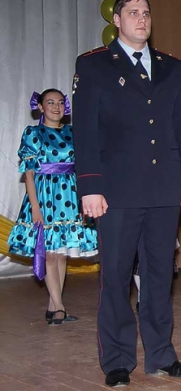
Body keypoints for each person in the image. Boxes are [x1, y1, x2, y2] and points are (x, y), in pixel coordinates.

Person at [72, 0, 181, 387]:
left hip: (163, 190)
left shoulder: (171, 67)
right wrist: (90, 187)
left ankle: (162, 355)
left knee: (160, 277)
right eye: (132, 12)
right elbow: (85, 132)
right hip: (116, 192)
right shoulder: (93, 65)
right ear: (117, 20)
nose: (141, 19)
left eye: (146, 12)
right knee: (115, 278)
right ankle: (117, 361)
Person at [8, 89, 98, 325]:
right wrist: (35, 206)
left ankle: (53, 306)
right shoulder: (33, 133)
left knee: (60, 254)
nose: (56, 107)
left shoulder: (72, 132)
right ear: (40, 107)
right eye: (50, 102)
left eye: (59, 102)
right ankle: (59, 307)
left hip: (69, 196)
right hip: (45, 197)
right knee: (48, 253)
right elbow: (29, 174)